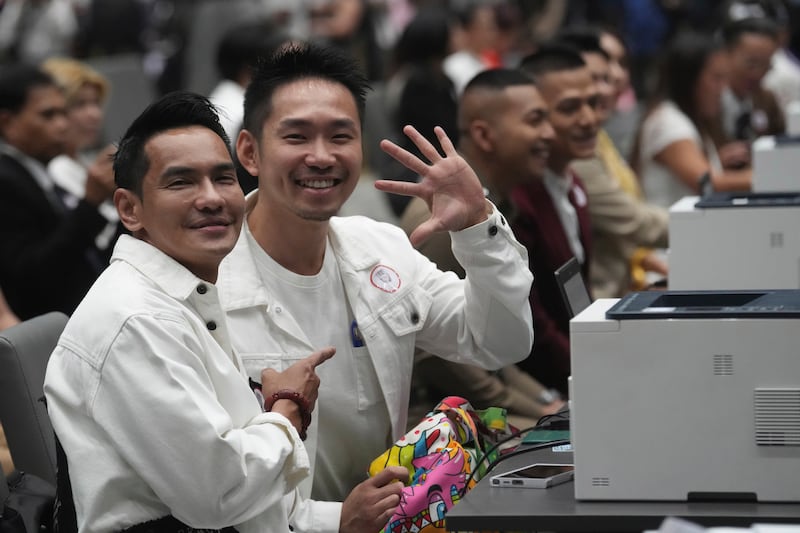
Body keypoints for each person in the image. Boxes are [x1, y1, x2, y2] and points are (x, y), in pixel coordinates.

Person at [219, 42, 534, 532]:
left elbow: (499, 341)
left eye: (340, 136)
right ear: (249, 152)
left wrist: (478, 227)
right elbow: (210, 481)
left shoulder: (381, 248)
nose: (321, 157)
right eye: (297, 136)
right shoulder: (210, 285)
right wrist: (335, 520)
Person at [44, 91, 353, 533]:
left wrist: (342, 518)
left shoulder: (188, 291)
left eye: (223, 179)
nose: (211, 198)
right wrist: (288, 410)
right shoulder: (136, 320)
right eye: (181, 182)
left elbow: (250, 503)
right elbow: (221, 494)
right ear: (129, 210)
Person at [400, 68, 565, 426]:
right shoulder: (441, 218)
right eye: (536, 121)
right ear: (485, 135)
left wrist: (544, 400)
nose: (550, 134)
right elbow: (439, 357)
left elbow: (501, 332)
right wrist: (538, 412)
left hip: (487, 391)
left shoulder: (504, 199)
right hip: (442, 413)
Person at [556, 29, 669, 298]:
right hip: (604, 296)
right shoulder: (578, 152)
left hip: (618, 288)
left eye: (619, 66)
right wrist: (702, 222)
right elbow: (630, 220)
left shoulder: (600, 138)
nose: (615, 79)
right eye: (596, 78)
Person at [0, 64, 115, 320]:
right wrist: (90, 204)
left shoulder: (37, 170)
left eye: (64, 113)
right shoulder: (6, 181)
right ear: (8, 123)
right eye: (48, 115)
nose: (63, 125)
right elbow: (32, 276)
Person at [517, 44, 600, 396]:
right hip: (547, 384)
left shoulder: (572, 183)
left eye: (592, 103)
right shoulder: (519, 200)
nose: (589, 119)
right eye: (570, 108)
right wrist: (598, 364)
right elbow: (534, 327)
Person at [632, 31, 752, 209]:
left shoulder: (686, 117)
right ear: (689, 80)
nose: (723, 88)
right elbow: (711, 184)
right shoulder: (669, 124)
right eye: (716, 78)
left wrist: (716, 161)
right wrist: (770, 176)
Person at [42, 57, 122, 262]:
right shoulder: (51, 171)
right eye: (79, 104)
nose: (94, 114)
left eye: (96, 103)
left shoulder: (86, 161)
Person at [720, 15, 786, 141]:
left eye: (766, 65)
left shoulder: (767, 100)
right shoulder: (708, 104)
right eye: (751, 63)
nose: (758, 73)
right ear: (725, 54)